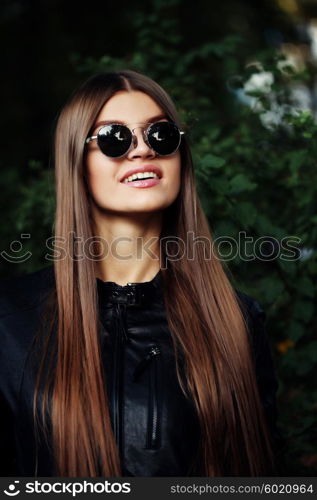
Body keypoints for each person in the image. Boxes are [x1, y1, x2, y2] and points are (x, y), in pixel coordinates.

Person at [0, 69, 282, 478]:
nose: (142, 151)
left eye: (160, 135)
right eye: (115, 137)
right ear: (77, 162)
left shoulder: (235, 321)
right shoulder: (10, 323)